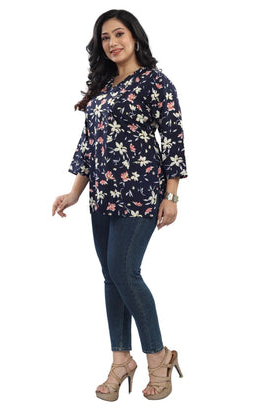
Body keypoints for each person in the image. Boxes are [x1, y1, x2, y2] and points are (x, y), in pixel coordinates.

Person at [52, 9, 187, 401]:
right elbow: (88, 146)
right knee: (111, 276)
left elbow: (173, 139)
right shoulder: (103, 89)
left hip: (141, 194)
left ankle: (158, 358)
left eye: (119, 34)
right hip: (102, 197)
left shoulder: (155, 82)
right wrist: (74, 193)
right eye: (105, 38)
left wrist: (171, 196)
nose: (112, 43)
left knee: (125, 272)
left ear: (135, 37)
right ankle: (120, 359)